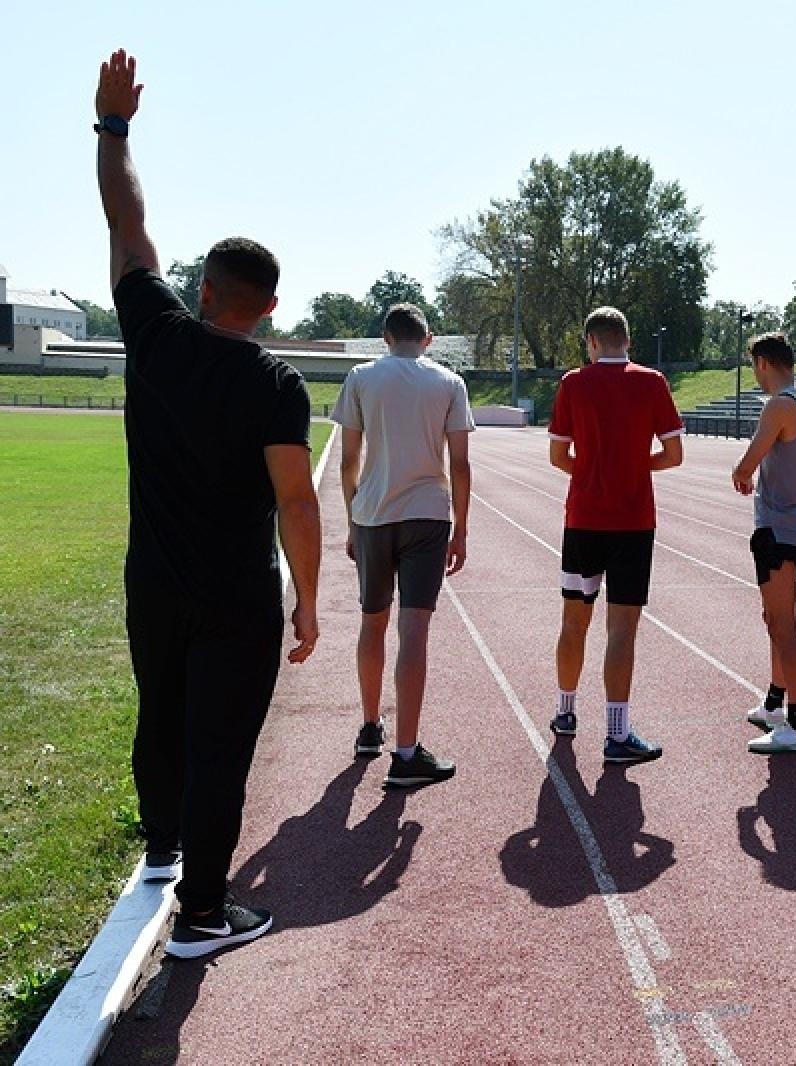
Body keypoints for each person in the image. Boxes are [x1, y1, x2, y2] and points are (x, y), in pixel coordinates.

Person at [96, 50, 321, 959]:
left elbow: (128, 219)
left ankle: (163, 848)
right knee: (221, 746)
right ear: (269, 305)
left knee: (162, 710)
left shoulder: (152, 333)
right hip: (235, 595)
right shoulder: (276, 381)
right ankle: (201, 914)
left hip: (153, 580)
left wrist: (114, 130)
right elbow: (296, 501)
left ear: (202, 291)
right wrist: (309, 597)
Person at [332, 303, 474, 785]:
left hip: (372, 514)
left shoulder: (360, 377)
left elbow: (348, 460)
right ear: (428, 339)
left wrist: (352, 520)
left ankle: (370, 727)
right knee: (414, 632)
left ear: (385, 337)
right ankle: (407, 754)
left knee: (373, 623)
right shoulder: (449, 383)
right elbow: (460, 464)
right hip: (428, 515)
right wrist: (462, 527)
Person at [548, 307, 684, 764]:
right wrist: (631, 465)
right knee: (622, 629)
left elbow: (558, 455)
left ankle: (565, 712)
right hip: (633, 522)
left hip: (582, 519)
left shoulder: (573, 383)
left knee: (574, 620)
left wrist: (593, 469)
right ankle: (617, 733)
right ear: (628, 339)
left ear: (590, 341)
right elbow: (673, 454)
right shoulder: (652, 382)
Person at [731, 332, 796, 755]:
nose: (755, 375)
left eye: (754, 366)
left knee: (784, 625)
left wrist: (746, 473)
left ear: (764, 363)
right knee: (774, 618)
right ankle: (774, 704)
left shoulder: (780, 404)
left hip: (778, 527)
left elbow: (746, 464)